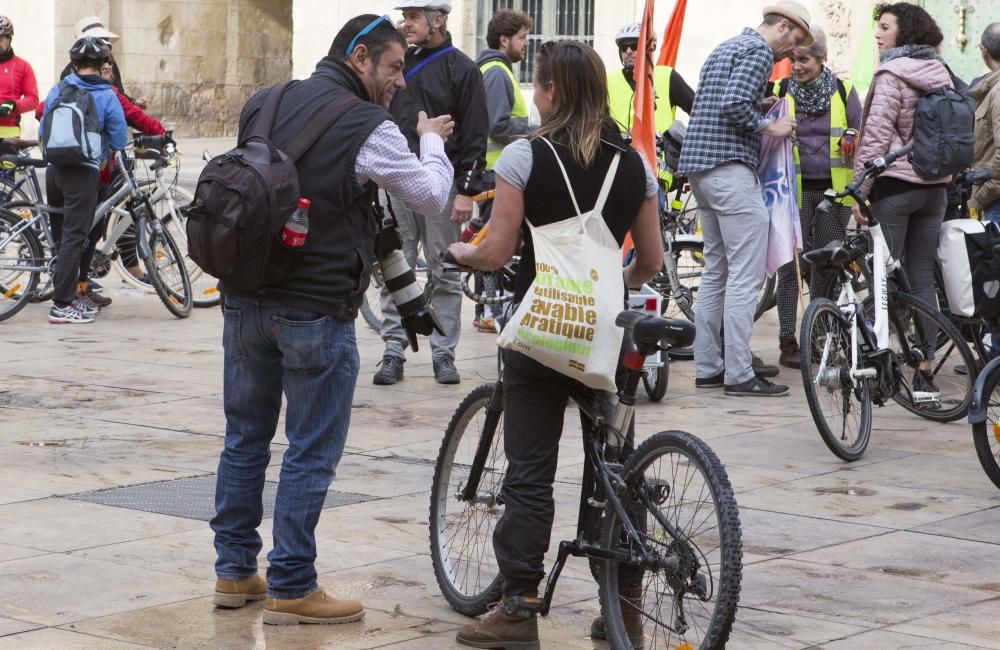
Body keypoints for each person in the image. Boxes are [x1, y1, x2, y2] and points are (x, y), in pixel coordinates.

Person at [210, 14, 455, 626]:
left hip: (244, 300)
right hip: (314, 311)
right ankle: (292, 583)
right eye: (394, 67)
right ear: (361, 56)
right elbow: (430, 197)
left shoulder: (264, 102)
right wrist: (431, 140)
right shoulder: (368, 125)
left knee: (245, 438)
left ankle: (235, 572)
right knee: (310, 449)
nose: (399, 82)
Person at [445, 40, 663, 648]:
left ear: (554, 92)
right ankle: (624, 606)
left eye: (538, 87)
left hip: (540, 331)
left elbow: (495, 249)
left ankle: (518, 606)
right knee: (616, 469)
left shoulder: (524, 156)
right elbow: (650, 261)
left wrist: (461, 252)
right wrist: (605, 287)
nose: (534, 97)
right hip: (607, 336)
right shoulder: (635, 163)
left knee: (531, 468)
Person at [676, 1, 810, 397]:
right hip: (731, 170)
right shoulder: (758, 52)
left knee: (717, 271)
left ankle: (709, 367)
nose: (791, 53)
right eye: (795, 41)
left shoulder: (726, 47)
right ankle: (738, 373)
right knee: (744, 276)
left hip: (702, 171)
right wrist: (772, 126)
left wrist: (759, 105)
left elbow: (721, 101)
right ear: (782, 27)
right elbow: (733, 104)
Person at [373, 0, 488, 386]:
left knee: (445, 269)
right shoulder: (396, 62)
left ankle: (443, 355)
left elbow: (475, 133)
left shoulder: (463, 69)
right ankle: (393, 350)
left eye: (413, 17)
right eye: (404, 17)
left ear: (437, 20)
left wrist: (466, 192)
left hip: (444, 183)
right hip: (396, 177)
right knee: (395, 264)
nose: (406, 24)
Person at [852, 3, 953, 391]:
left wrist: (860, 192)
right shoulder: (940, 72)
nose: (877, 34)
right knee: (923, 278)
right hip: (934, 190)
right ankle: (925, 367)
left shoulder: (892, 74)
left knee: (882, 280)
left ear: (904, 33)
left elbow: (875, 138)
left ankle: (882, 369)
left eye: (884, 27)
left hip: (895, 187)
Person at [771, 27, 862, 369]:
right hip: (792, 193)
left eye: (804, 59)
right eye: (793, 59)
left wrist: (854, 138)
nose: (797, 66)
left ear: (822, 59)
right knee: (789, 269)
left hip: (833, 193)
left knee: (825, 266)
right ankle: (786, 340)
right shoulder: (780, 90)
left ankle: (820, 335)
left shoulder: (843, 89)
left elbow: (860, 129)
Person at [40, 37, 127, 325]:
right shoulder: (107, 94)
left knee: (61, 238)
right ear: (104, 64)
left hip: (54, 170)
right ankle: (62, 304)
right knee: (75, 239)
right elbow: (119, 139)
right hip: (83, 171)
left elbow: (43, 127)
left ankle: (68, 293)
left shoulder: (59, 88)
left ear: (74, 64)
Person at [473, 8, 536, 332]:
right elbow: (498, 125)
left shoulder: (495, 69)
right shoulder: (497, 71)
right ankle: (486, 310)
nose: (526, 44)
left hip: (496, 172)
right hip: (496, 173)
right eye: (522, 38)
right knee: (496, 242)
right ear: (504, 39)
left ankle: (486, 307)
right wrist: (532, 129)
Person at [608, 21, 695, 191]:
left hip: (657, 171)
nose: (628, 51)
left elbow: (699, 111)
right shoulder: (608, 81)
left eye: (634, 46)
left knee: (654, 213)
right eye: (623, 47)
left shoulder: (666, 76)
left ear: (649, 48)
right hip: (619, 168)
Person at [60, 16, 147, 109]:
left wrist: (133, 102)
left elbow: (119, 95)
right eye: (99, 40)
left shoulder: (110, 63)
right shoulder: (67, 76)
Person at [969, 23, 1000, 224]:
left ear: (984, 51)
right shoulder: (991, 88)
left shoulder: (998, 92)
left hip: (994, 200)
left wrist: (979, 198)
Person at [0, 16, 38, 148]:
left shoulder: (23, 66)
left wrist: (14, 105)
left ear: (9, 39)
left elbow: (33, 99)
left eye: (0, 39)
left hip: (9, 136)